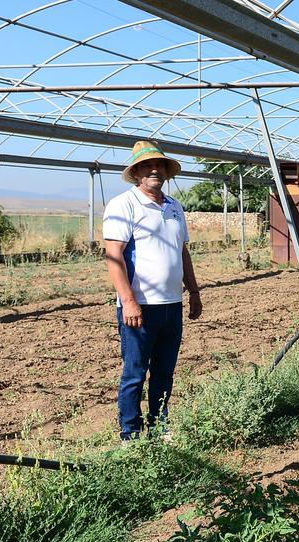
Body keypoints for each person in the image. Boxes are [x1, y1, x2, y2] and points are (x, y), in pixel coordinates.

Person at [102, 140, 202, 441]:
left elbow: (181, 252)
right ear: (135, 173)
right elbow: (113, 256)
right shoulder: (124, 205)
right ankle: (130, 433)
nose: (154, 169)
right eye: (146, 165)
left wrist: (193, 291)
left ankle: (159, 426)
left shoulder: (174, 207)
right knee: (134, 373)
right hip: (140, 306)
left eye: (158, 165)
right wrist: (129, 301)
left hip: (171, 304)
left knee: (164, 371)